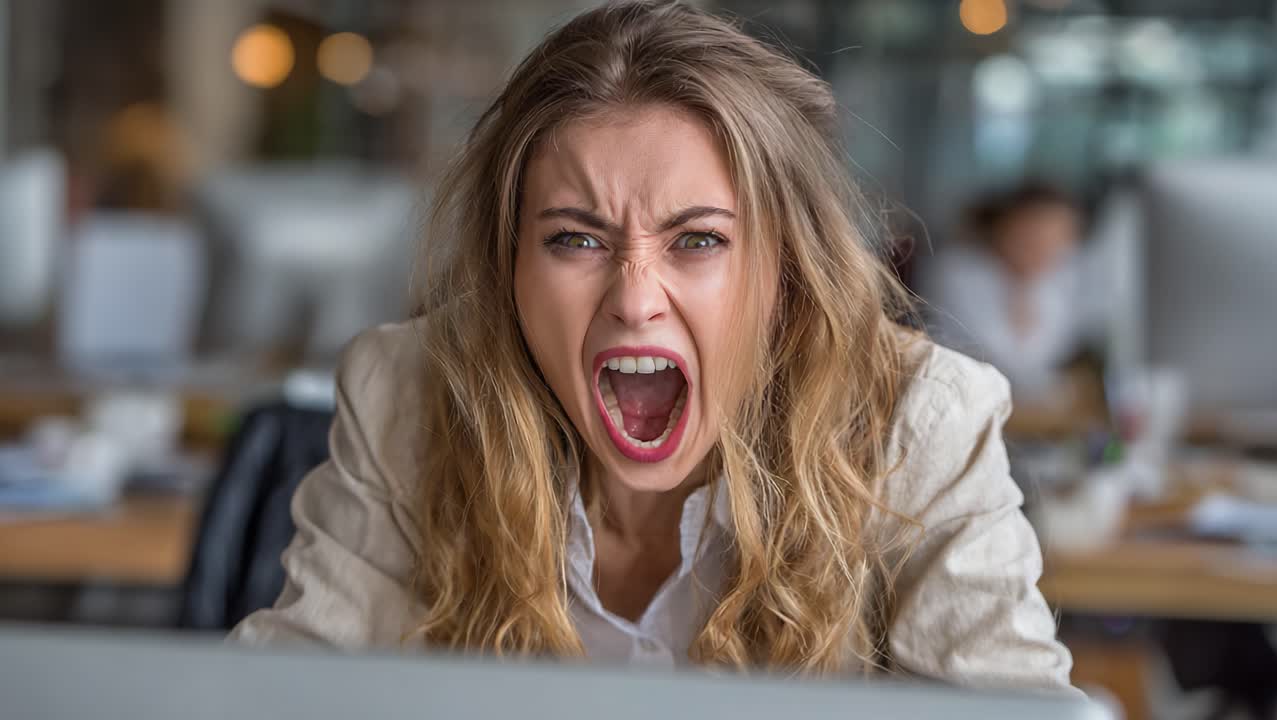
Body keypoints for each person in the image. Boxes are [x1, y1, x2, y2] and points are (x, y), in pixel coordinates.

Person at [231, 1, 1075, 691]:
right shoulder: (405, 395)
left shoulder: (920, 418)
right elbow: (277, 698)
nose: (635, 300)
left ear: (784, 270)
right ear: (508, 268)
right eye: (575, 240)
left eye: (699, 240)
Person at [920, 182, 1103, 400]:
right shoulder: (957, 271)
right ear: (1006, 226)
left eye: (1060, 238)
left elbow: (1047, 354)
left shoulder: (1064, 278)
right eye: (1036, 234)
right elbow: (1003, 358)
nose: (1047, 247)